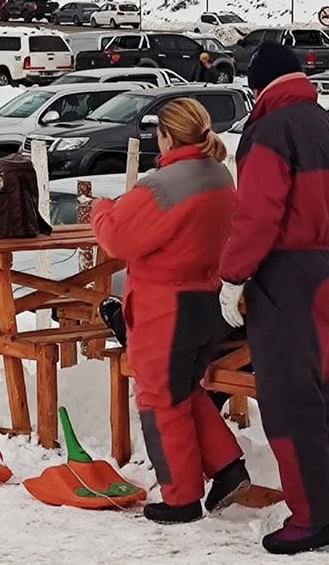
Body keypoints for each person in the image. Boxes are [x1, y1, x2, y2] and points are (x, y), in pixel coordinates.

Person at [218, 42, 329, 555]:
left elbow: (258, 215)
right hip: (327, 272)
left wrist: (233, 276)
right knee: (317, 397)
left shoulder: (268, 131)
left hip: (285, 276)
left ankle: (312, 519)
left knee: (289, 401)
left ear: (257, 86)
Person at [92, 98, 250, 525]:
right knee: (180, 390)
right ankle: (227, 466)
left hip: (166, 305)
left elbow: (118, 240)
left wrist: (102, 210)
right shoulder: (219, 175)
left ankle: (180, 498)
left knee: (160, 398)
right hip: (208, 301)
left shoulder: (162, 186)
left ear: (165, 135)